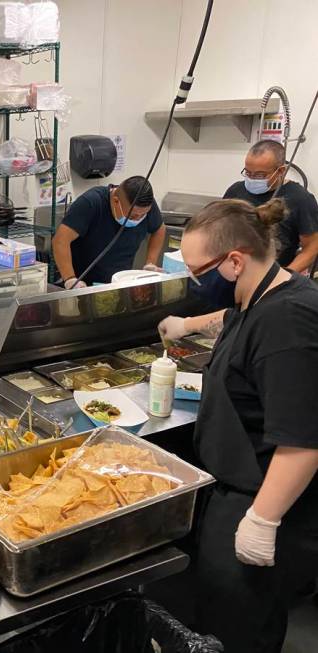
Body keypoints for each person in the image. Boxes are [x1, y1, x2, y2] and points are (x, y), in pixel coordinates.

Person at [158, 198, 318, 653]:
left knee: (241, 627)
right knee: (213, 617)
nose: (193, 280)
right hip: (231, 489)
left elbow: (304, 440)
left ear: (233, 261)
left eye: (196, 270)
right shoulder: (260, 295)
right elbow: (232, 318)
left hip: (263, 500)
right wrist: (187, 323)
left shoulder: (288, 322)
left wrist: (262, 521)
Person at [222, 139, 318, 274]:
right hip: (233, 272)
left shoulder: (300, 199)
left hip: (272, 276)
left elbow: (312, 247)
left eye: (260, 175)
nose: (252, 179)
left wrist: (283, 277)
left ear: (281, 171)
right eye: (248, 173)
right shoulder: (235, 191)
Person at [52, 176, 166, 287]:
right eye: (133, 216)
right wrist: (70, 279)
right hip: (84, 284)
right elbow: (60, 240)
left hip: (119, 283)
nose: (138, 219)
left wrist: (150, 263)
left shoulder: (144, 206)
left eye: (142, 215)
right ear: (116, 201)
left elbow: (159, 229)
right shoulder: (91, 203)